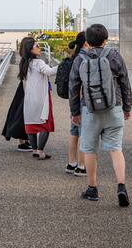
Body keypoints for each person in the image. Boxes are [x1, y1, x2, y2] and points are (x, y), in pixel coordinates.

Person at [69, 24, 132, 206]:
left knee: (89, 149)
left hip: (89, 110)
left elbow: (73, 87)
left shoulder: (80, 59)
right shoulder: (114, 56)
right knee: (115, 148)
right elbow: (125, 83)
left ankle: (92, 188)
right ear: (106, 40)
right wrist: (127, 107)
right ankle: (121, 186)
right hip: (114, 108)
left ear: (87, 41)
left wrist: (74, 112)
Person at [19, 37, 57, 160]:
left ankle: (35, 149)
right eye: (37, 46)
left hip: (29, 99)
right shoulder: (39, 63)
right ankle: (40, 151)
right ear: (31, 49)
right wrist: (62, 65)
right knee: (45, 124)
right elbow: (50, 72)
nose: (39, 48)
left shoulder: (24, 64)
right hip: (41, 98)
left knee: (31, 125)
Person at [59, 32, 87, 176]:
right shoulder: (84, 59)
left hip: (73, 101)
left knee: (74, 132)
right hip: (82, 102)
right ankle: (82, 166)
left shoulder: (74, 58)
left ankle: (71, 163)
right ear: (86, 43)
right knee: (84, 133)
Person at [2, 36, 31, 151]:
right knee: (22, 115)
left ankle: (25, 140)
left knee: (19, 114)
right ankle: (23, 142)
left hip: (22, 90)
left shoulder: (24, 59)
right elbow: (25, 79)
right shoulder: (27, 61)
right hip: (25, 90)